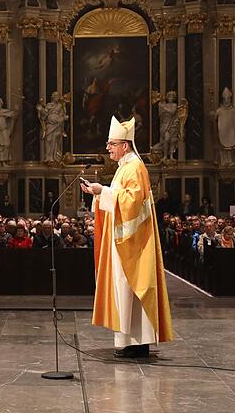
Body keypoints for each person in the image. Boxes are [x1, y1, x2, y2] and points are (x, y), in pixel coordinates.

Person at [81, 115, 173, 358]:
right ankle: (131, 341)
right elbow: (119, 199)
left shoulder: (134, 168)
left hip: (134, 242)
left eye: (112, 144)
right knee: (124, 291)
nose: (108, 148)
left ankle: (139, 343)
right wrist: (98, 193)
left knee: (132, 288)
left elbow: (132, 203)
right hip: (122, 240)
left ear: (125, 145)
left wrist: (104, 192)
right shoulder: (125, 168)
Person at [37, 91, 69, 164]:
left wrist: (60, 119)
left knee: (55, 141)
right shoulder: (49, 105)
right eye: (55, 96)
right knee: (48, 140)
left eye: (58, 96)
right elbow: (44, 115)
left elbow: (62, 116)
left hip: (57, 125)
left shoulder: (60, 106)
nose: (57, 97)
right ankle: (48, 157)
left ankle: (54, 157)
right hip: (50, 125)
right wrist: (40, 109)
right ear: (53, 97)